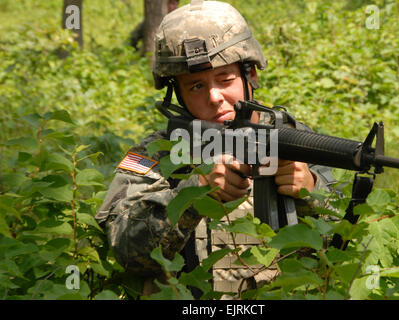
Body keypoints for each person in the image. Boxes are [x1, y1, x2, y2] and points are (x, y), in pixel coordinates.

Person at [96, 0, 335, 298]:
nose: (214, 97)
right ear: (178, 95)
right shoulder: (157, 153)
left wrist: (311, 193)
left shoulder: (295, 141)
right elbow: (124, 248)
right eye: (196, 86)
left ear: (251, 76)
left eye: (226, 79)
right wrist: (193, 193)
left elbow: (342, 244)